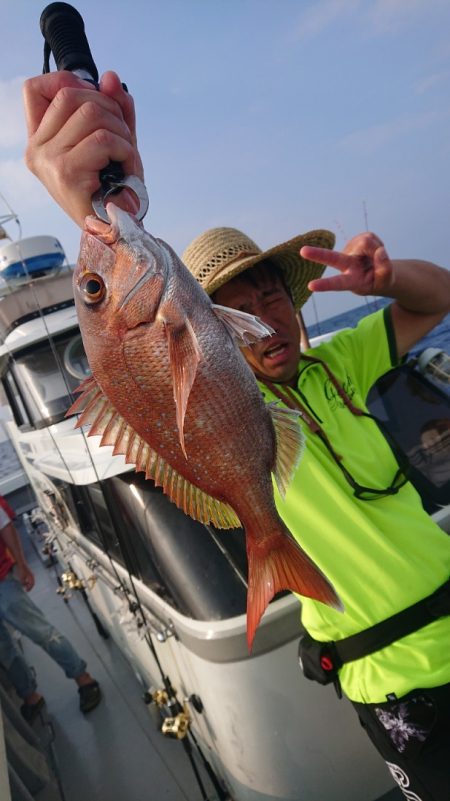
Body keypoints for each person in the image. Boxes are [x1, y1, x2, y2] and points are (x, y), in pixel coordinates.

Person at [22, 70, 450, 799]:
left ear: (292, 301)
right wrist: (97, 210)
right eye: (236, 306)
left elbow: (437, 296)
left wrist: (384, 279)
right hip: (396, 683)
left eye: (272, 293)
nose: (266, 314)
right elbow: (156, 346)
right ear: (214, 325)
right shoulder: (231, 393)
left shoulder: (340, 359)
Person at [0, 500, 102, 722]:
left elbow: (5, 524)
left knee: (41, 633)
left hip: (2, 583)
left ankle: (84, 679)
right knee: (4, 650)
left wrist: (22, 564)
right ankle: (30, 696)